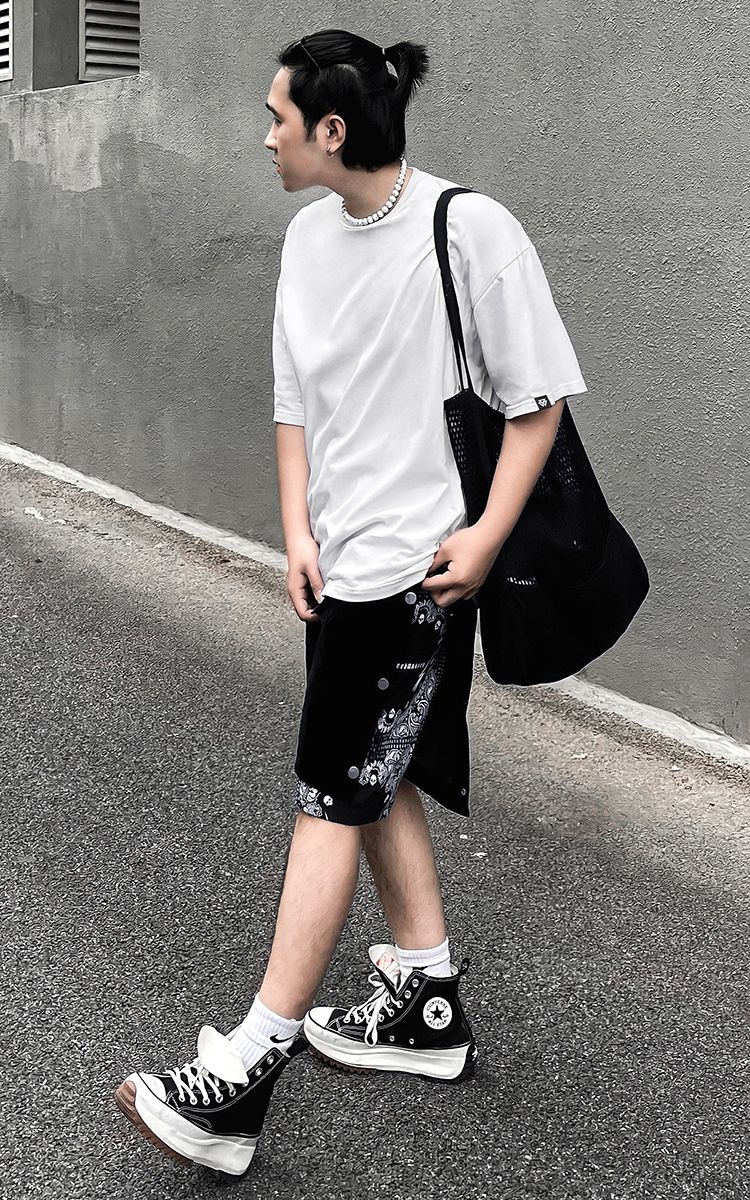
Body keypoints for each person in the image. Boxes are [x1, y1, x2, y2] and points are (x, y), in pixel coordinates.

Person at [113, 28, 588, 1180]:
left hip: (417, 574)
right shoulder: (308, 237)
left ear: (330, 129)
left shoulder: (469, 229)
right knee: (378, 772)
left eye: (277, 119)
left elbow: (539, 404)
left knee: (332, 794)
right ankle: (425, 1001)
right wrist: (295, 528)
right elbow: (293, 399)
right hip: (340, 566)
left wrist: (484, 538)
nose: (265, 138)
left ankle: (243, 1078)